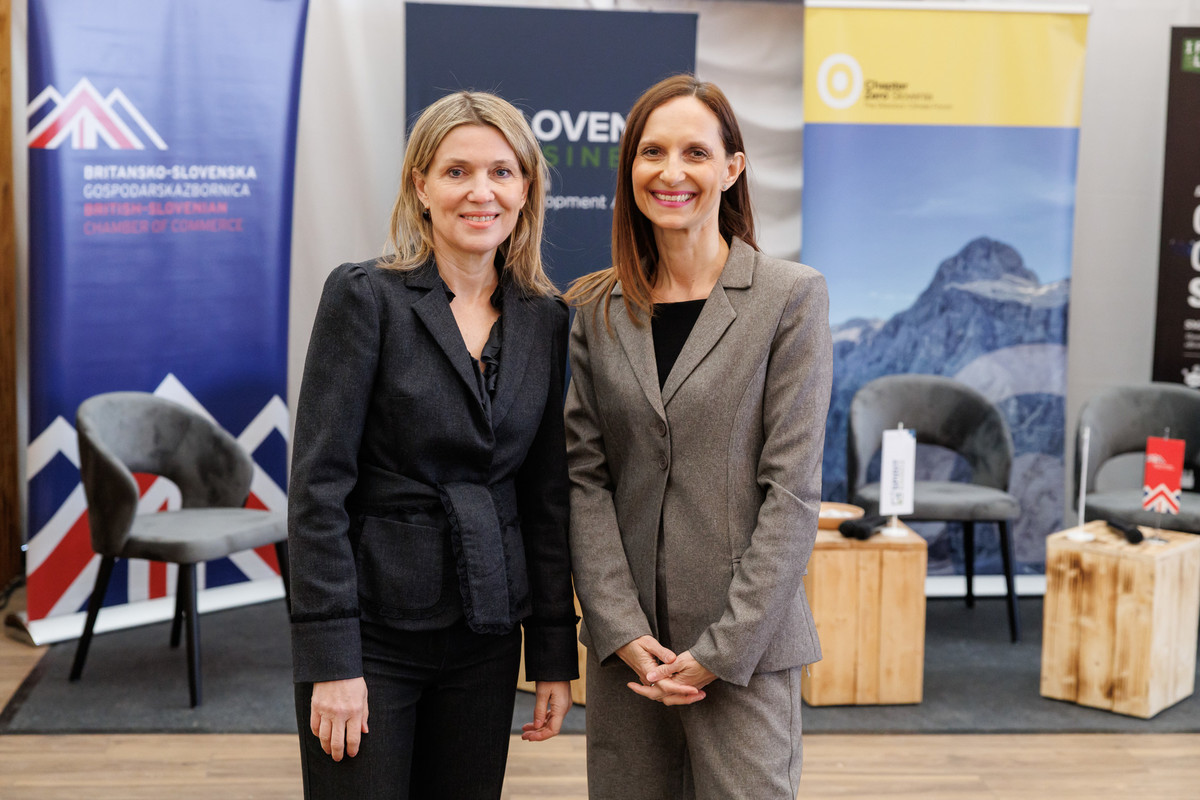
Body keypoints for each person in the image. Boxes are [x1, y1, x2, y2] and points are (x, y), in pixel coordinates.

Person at [288, 90, 578, 800]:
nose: (481, 191)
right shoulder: (365, 297)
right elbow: (318, 490)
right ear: (421, 187)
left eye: (502, 172)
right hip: (372, 635)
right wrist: (332, 661)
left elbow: (545, 497)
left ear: (526, 189)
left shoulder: (545, 318)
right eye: (456, 172)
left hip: (486, 634)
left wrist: (552, 654)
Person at [564, 74, 833, 799]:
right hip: (630, 656)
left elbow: (792, 493)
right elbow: (585, 478)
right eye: (652, 152)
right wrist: (618, 628)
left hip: (744, 651)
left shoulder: (789, 297)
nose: (671, 172)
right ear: (630, 168)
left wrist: (722, 648)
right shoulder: (596, 308)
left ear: (732, 168)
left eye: (695, 153)